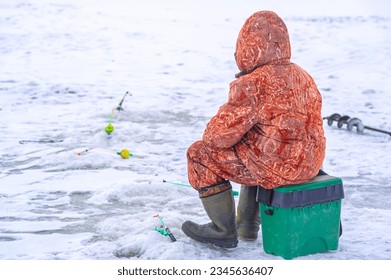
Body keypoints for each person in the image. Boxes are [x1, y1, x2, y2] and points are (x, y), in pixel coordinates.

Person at [181, 11, 326, 248]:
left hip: (278, 169)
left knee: (199, 153)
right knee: (254, 146)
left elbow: (216, 138)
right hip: (310, 165)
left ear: (247, 48)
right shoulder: (302, 75)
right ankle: (247, 226)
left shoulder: (254, 83)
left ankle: (223, 230)